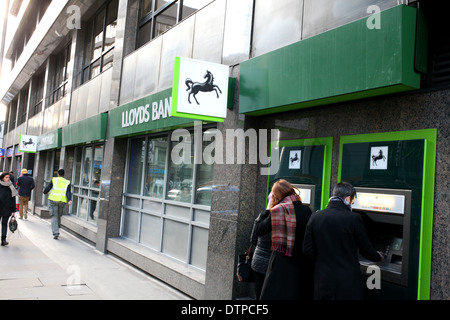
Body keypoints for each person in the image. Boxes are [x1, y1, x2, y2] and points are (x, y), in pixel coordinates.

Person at [303, 182, 385, 300]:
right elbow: (365, 248)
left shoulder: (315, 217)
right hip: (347, 282)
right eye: (352, 201)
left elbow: (307, 250)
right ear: (347, 198)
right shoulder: (353, 218)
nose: (352, 204)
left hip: (323, 281)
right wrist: (378, 257)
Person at [254, 179, 314, 300]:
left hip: (281, 263)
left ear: (277, 195)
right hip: (300, 263)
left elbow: (259, 230)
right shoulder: (306, 210)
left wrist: (268, 207)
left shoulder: (277, 210)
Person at [43, 169, 72, 240]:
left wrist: (45, 192)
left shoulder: (54, 179)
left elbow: (48, 187)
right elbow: (68, 192)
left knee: (54, 216)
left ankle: (56, 232)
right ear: (64, 174)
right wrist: (69, 200)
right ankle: (57, 228)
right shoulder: (67, 182)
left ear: (58, 174)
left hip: (53, 200)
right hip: (62, 201)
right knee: (58, 215)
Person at [0, 172, 18, 246]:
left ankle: (3, 240)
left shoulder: (11, 187)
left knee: (4, 224)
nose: (8, 179)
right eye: (6, 177)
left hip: (7, 208)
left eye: (8, 177)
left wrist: (14, 210)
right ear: (2, 178)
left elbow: (13, 199)